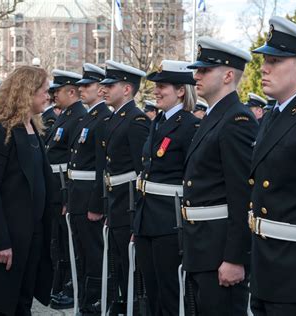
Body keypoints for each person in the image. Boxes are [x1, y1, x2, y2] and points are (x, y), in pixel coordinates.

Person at [182, 36, 259, 315]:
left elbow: (243, 195)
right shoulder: (215, 117)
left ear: (228, 75)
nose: (196, 76)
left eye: (204, 70)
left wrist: (235, 258)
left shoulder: (237, 120)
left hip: (218, 251)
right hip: (201, 244)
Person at [0, 65, 54, 316]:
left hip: (33, 232)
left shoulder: (34, 130)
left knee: (22, 302)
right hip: (10, 236)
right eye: (44, 91)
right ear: (26, 92)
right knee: (3, 306)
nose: (47, 96)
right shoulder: (2, 132)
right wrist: (1, 241)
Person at [248, 16, 296, 316]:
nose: (263, 68)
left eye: (274, 60)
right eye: (265, 60)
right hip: (266, 264)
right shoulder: (274, 114)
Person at [134, 60, 199, 316]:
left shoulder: (189, 125)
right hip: (147, 218)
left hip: (169, 222)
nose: (156, 91)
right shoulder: (157, 121)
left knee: (169, 292)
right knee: (152, 290)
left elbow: (190, 178)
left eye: (162, 86)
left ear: (181, 90)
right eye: (156, 86)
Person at [100, 60, 150, 313]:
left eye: (111, 84)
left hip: (129, 203)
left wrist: (137, 216)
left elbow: (142, 172)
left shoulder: (136, 120)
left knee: (131, 267)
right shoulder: (116, 118)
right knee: (119, 262)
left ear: (127, 89)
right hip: (116, 201)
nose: (104, 89)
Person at [67, 63, 111, 314]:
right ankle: (84, 298)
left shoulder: (103, 118)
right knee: (81, 251)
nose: (81, 90)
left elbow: (100, 166)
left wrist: (96, 203)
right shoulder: (88, 117)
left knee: (93, 253)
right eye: (81, 86)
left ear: (100, 88)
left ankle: (93, 302)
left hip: (89, 197)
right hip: (76, 194)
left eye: (87, 86)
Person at [45, 69, 87, 309]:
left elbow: (73, 159)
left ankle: (70, 287)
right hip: (56, 185)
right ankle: (59, 283)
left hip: (64, 186)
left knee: (68, 242)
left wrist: (66, 197)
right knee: (58, 242)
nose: (53, 96)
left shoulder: (79, 116)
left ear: (71, 91)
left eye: (57, 91)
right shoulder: (66, 115)